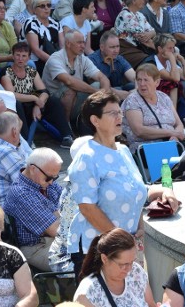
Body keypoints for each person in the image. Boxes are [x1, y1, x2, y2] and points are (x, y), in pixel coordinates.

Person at [66, 91, 148, 272]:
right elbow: (87, 207)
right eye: (112, 113)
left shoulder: (124, 151)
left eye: (120, 112)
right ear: (95, 121)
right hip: (97, 248)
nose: (119, 117)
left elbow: (135, 191)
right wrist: (120, 241)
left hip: (126, 246)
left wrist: (140, 227)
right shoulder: (87, 156)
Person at [3, 148, 64, 273]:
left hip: (55, 240)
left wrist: (59, 215)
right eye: (48, 178)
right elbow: (57, 230)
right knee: (85, 261)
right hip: (36, 247)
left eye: (55, 177)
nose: (52, 182)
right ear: (32, 169)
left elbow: (71, 209)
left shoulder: (46, 181)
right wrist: (60, 215)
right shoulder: (20, 193)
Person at [1, 43, 74, 146]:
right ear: (12, 56)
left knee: (54, 101)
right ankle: (26, 141)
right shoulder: (6, 72)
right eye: (17, 55)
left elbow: (44, 91)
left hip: (32, 105)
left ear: (29, 57)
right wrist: (34, 98)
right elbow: (12, 95)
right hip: (17, 106)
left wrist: (37, 105)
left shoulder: (31, 71)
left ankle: (66, 136)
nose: (20, 59)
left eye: (24, 56)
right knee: (17, 103)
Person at [42, 31, 111, 129]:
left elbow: (102, 77)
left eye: (84, 42)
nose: (83, 46)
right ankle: (66, 127)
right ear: (68, 44)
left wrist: (105, 93)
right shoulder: (55, 59)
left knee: (99, 84)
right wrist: (96, 92)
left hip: (75, 98)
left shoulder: (82, 58)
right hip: (52, 103)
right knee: (70, 90)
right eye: (79, 43)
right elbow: (69, 81)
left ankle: (99, 126)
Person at [74, 228, 159, 307]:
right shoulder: (88, 294)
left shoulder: (136, 271)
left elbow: (150, 304)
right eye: (123, 265)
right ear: (104, 259)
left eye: (132, 262)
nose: (129, 269)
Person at [121, 63, 185, 153]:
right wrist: (170, 132)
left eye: (146, 80)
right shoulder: (132, 100)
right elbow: (139, 131)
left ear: (157, 82)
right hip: (146, 147)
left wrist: (175, 136)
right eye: (139, 80)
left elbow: (179, 124)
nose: (142, 84)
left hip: (171, 142)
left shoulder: (164, 97)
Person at [87, 31, 136, 100]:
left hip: (119, 90)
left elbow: (134, 77)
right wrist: (122, 94)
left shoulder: (119, 58)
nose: (116, 50)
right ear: (102, 47)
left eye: (117, 46)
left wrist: (136, 89)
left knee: (133, 86)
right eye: (112, 47)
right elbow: (97, 86)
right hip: (100, 96)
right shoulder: (92, 61)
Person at [22, 0, 63, 74]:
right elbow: (36, 50)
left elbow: (63, 46)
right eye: (42, 6)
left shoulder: (55, 23)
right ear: (34, 10)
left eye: (48, 5)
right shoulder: (31, 23)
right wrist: (55, 62)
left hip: (54, 58)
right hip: (35, 60)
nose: (46, 8)